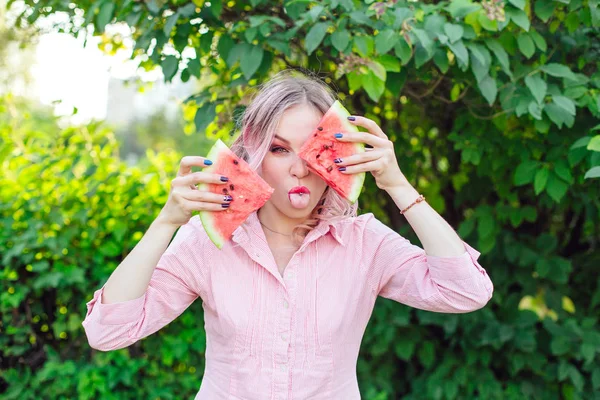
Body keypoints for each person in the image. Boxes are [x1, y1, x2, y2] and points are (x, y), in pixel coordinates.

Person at [82, 69, 494, 399]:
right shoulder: (206, 243)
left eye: (317, 150)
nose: (299, 168)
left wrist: (399, 186)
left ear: (341, 156)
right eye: (279, 149)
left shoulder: (364, 243)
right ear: (254, 156)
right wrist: (166, 224)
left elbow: (466, 291)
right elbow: (107, 333)